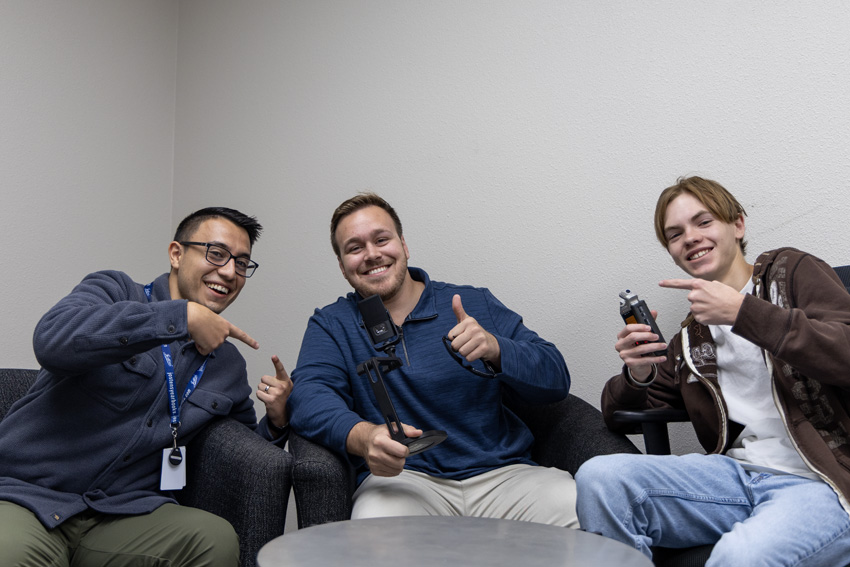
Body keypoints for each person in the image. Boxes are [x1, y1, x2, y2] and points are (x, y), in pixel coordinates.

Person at [575, 177, 850, 566]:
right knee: (600, 478)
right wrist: (637, 374)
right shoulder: (692, 335)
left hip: (821, 481)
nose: (690, 238)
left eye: (703, 222)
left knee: (739, 556)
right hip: (734, 478)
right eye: (675, 234)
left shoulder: (790, 272)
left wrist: (744, 313)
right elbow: (622, 413)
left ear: (738, 225)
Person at [0, 207, 293, 567]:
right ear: (176, 253)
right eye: (216, 254)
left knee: (212, 538)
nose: (230, 272)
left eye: (242, 263)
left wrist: (277, 422)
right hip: (28, 498)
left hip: (124, 512)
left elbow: (242, 448)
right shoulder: (115, 290)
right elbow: (52, 340)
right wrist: (178, 317)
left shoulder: (227, 363)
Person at [288, 193, 578, 526]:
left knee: (575, 506)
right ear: (342, 266)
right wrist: (365, 436)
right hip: (404, 480)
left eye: (381, 239)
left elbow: (556, 378)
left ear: (404, 245)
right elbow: (309, 396)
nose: (372, 254)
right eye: (355, 248)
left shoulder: (473, 302)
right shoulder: (332, 323)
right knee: (374, 528)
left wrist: (496, 348)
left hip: (504, 475)